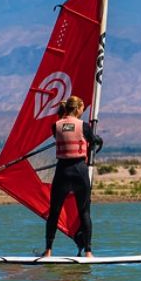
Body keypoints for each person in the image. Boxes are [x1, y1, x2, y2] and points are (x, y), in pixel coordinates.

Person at [39, 96, 103, 258]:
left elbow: (64, 135)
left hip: (62, 172)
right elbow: (93, 140)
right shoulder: (84, 126)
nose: (83, 111)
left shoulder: (56, 126)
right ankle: (88, 252)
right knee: (84, 212)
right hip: (79, 171)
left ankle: (48, 251)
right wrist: (98, 140)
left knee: (54, 212)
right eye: (82, 108)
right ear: (78, 108)